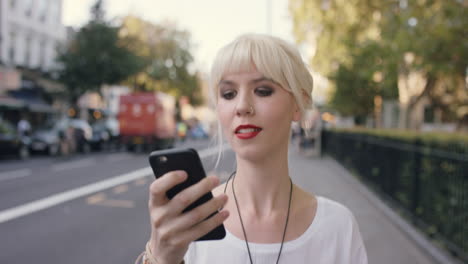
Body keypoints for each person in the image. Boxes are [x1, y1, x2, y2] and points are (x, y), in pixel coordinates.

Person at [138, 34, 368, 264]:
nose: (242, 106)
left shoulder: (338, 227)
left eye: (263, 90)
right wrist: (159, 256)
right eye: (228, 94)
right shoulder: (189, 223)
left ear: (298, 104)